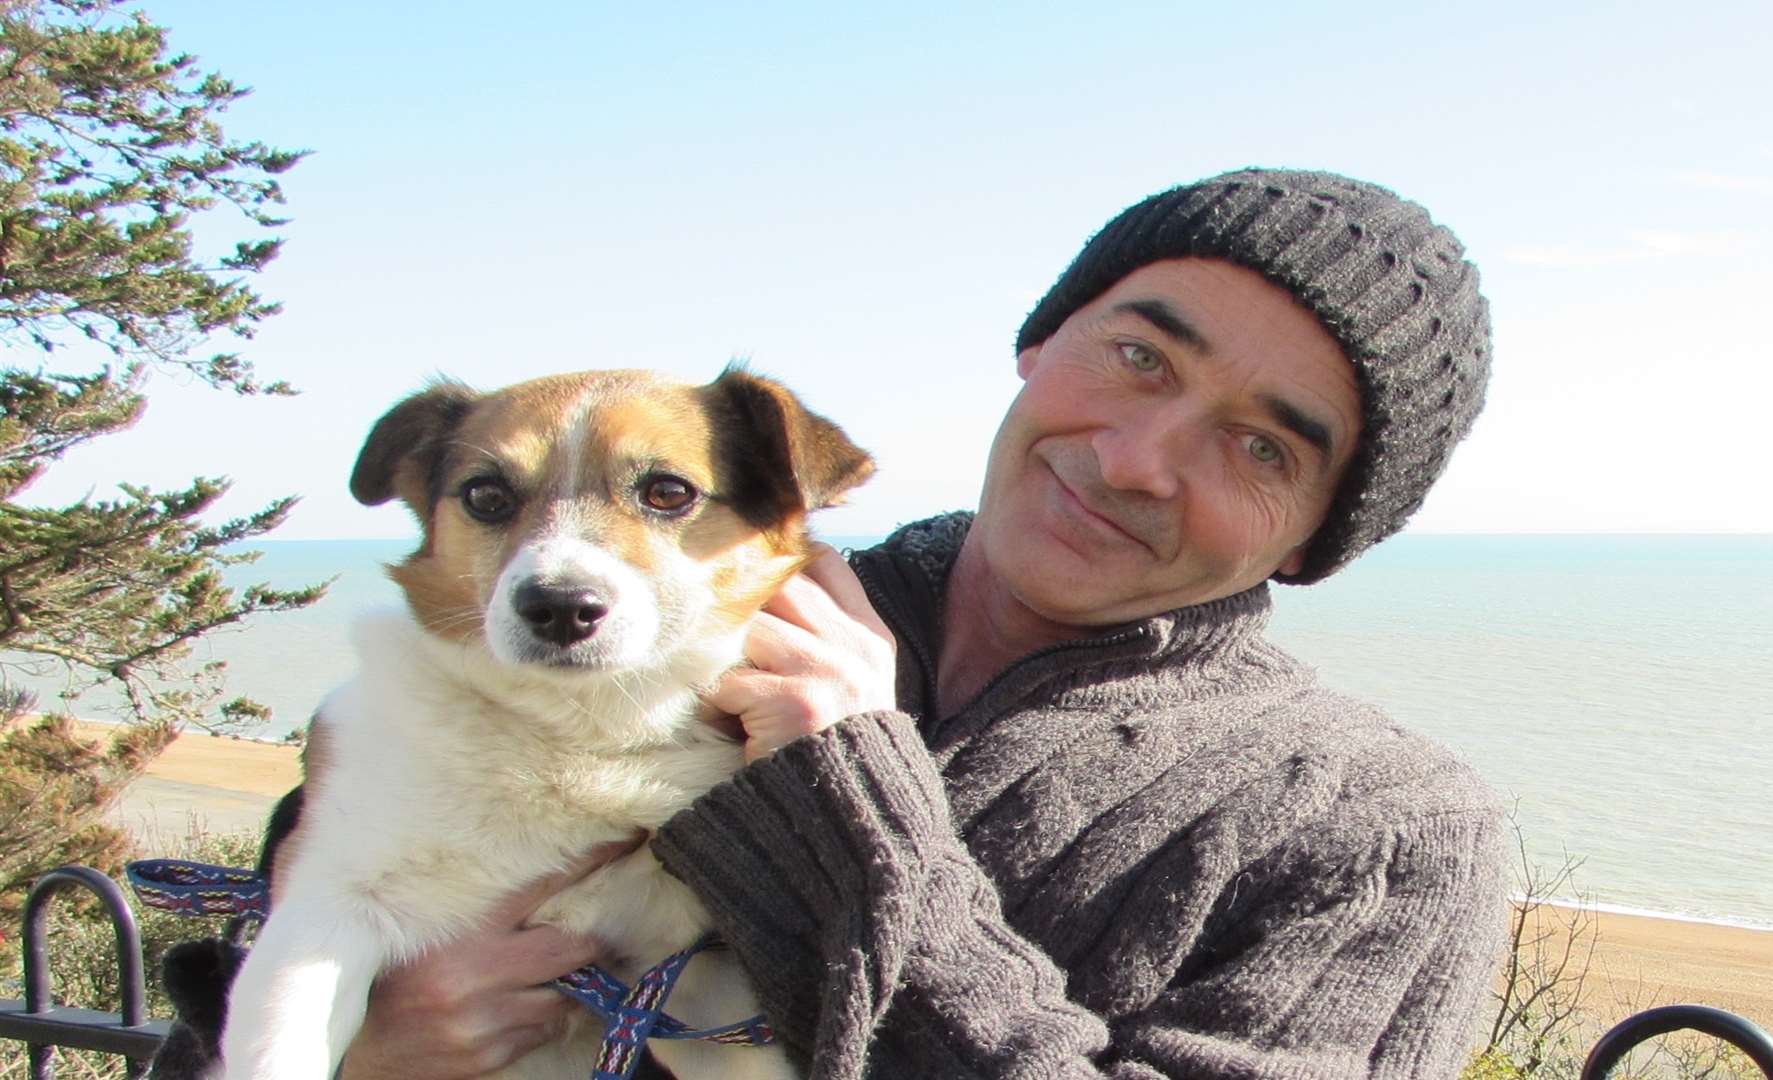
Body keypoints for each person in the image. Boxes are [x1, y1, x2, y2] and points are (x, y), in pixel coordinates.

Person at [161, 167, 1506, 1080]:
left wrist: (850, 806)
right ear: (1040, 343)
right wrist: (373, 1045)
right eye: (1139, 355)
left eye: (1264, 447)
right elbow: (261, 993)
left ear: (1323, 532)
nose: (1141, 457)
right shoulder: (632, 632)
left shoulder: (1383, 839)